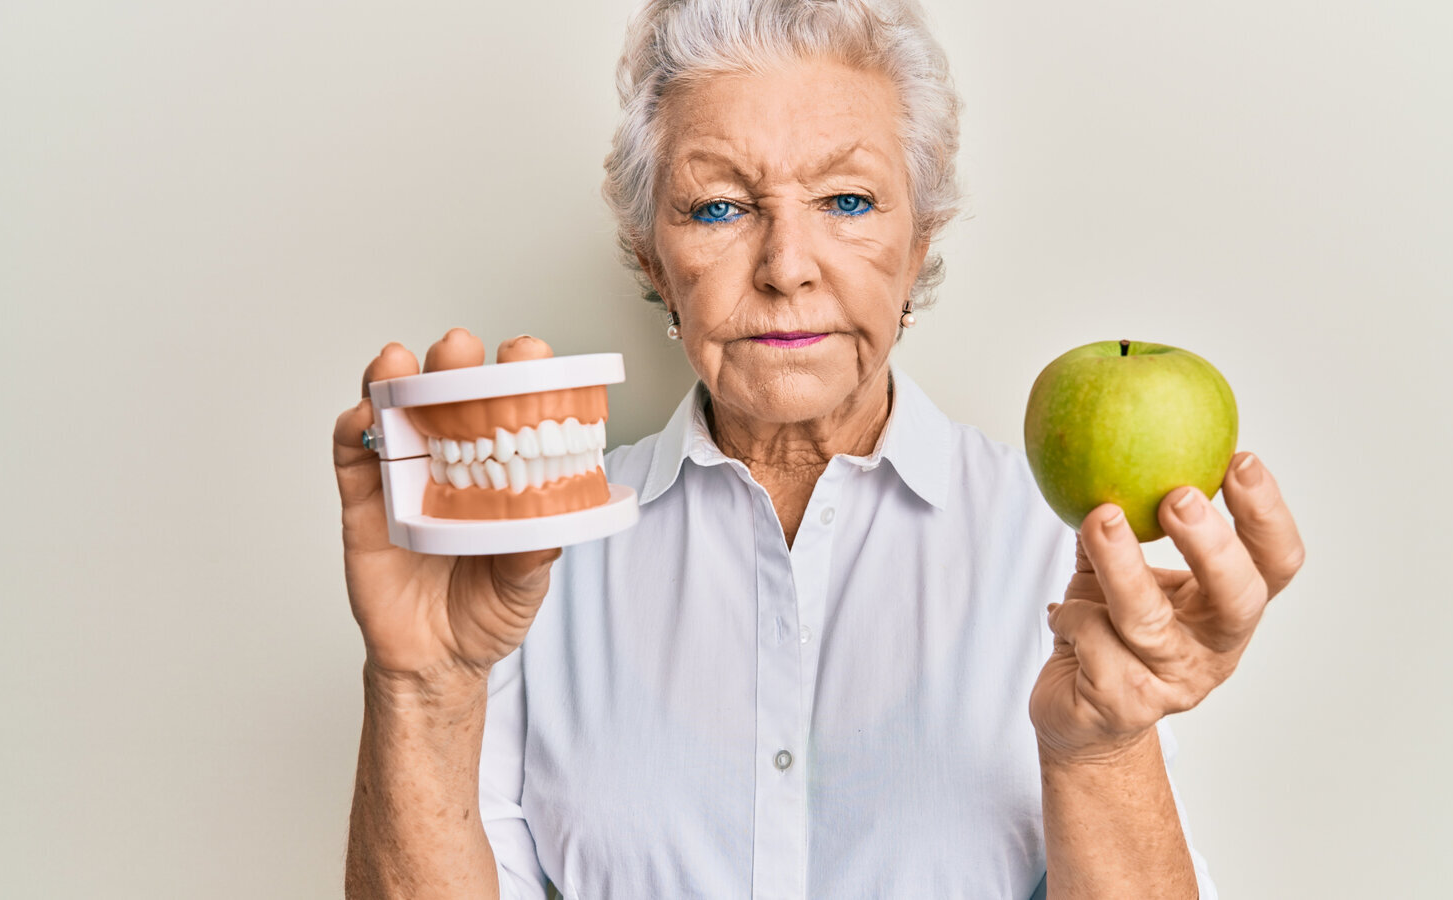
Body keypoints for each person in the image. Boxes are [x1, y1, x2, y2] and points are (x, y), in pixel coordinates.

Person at [330, 1, 1306, 897]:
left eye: (846, 201)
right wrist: (422, 688)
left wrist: (1101, 752)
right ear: (650, 257)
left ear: (919, 243)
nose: (787, 268)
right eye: (719, 207)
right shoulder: (522, 558)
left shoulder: (1063, 549)